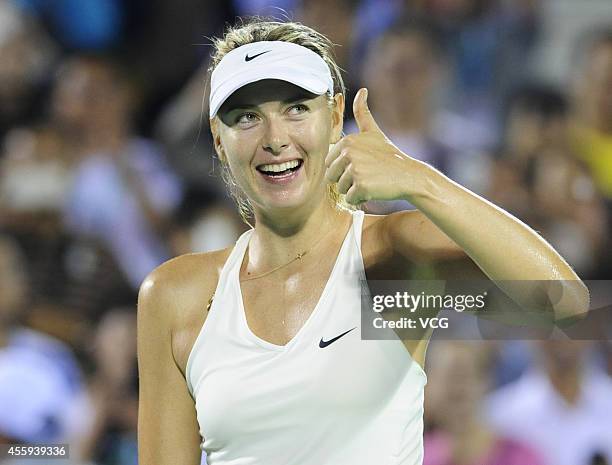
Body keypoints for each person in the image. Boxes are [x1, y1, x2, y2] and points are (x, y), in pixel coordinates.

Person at [137, 19, 589, 465]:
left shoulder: (393, 253)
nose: (275, 139)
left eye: (296, 109)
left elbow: (562, 302)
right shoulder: (176, 294)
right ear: (219, 139)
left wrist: (420, 180)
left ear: (335, 117)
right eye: (248, 117)